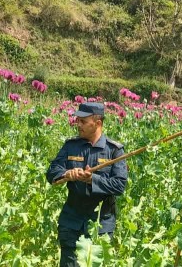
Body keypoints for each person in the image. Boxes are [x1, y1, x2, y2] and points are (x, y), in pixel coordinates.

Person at [46, 102, 128, 267]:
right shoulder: (71, 146)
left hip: (100, 223)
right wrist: (66, 174)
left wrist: (92, 179)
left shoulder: (114, 151)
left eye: (83, 121)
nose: (78, 124)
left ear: (97, 123)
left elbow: (119, 185)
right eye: (78, 120)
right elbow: (52, 172)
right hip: (72, 220)